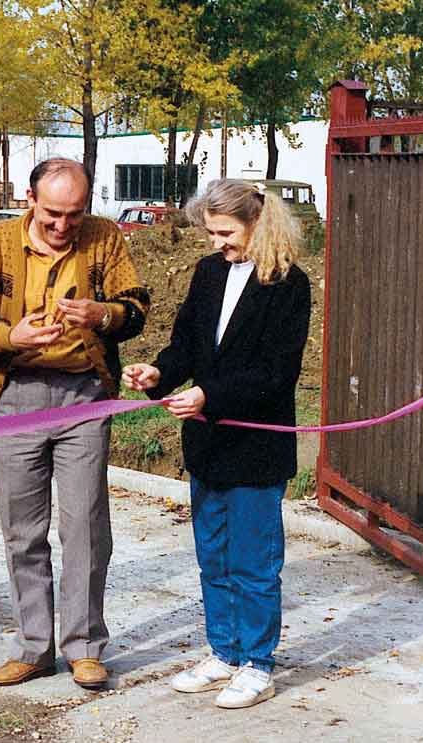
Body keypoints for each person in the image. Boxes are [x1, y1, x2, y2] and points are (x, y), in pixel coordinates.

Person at [0, 158, 149, 690]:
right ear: (30, 200)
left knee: (85, 526)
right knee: (23, 530)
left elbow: (136, 307)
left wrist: (102, 315)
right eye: (53, 215)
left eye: (74, 215)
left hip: (84, 396)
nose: (63, 225)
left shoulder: (105, 238)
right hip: (15, 396)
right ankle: (33, 647)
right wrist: (7, 337)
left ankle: (84, 648)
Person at [123, 179, 310, 709]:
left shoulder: (288, 284)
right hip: (207, 445)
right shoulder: (208, 273)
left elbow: (277, 373)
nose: (216, 243)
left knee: (254, 564)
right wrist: (158, 373)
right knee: (214, 558)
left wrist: (209, 395)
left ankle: (257, 663)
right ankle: (224, 652)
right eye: (210, 233)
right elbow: (185, 344)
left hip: (255, 448)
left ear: (258, 224)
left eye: (225, 233)